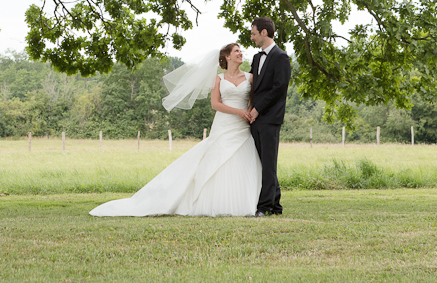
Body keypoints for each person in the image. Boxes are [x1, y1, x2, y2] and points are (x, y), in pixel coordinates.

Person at [89, 43, 261, 217]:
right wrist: (238, 111)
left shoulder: (250, 77)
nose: (241, 53)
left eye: (241, 51)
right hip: (224, 123)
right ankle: (211, 202)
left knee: (241, 158)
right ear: (227, 57)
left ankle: (243, 202)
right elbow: (215, 104)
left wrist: (249, 112)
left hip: (242, 126)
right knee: (216, 159)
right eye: (237, 51)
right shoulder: (218, 79)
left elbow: (253, 100)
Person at [249, 16, 291, 216]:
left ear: (264, 32)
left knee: (268, 163)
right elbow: (253, 88)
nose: (252, 38)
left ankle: (264, 207)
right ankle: (275, 205)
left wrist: (258, 109)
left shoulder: (281, 57)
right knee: (261, 162)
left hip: (270, 118)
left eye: (253, 33)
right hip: (254, 119)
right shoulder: (256, 58)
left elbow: (279, 89)